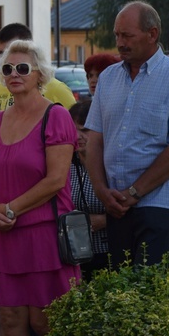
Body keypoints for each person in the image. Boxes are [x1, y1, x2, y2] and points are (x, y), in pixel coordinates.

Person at [85, 1, 169, 268]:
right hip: (116, 204)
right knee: (121, 294)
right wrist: (103, 191)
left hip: (159, 203)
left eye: (127, 35)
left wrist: (135, 192)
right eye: (117, 35)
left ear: (152, 34)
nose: (119, 42)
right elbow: (94, 140)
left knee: (153, 294)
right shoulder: (108, 79)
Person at [0, 39, 80, 336]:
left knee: (46, 323)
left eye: (23, 68)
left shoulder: (56, 116)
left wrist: (11, 209)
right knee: (9, 325)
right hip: (4, 236)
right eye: (7, 68)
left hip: (44, 235)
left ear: (40, 75)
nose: (14, 74)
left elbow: (55, 180)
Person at [0, 23, 75, 119]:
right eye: (1, 53)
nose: (6, 57)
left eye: (13, 50)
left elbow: (76, 130)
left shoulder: (57, 90)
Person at [68, 100, 109, 280]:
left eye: (84, 130)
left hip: (108, 253)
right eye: (72, 129)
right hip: (72, 254)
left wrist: (106, 220)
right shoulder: (63, 164)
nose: (77, 136)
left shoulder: (111, 166)